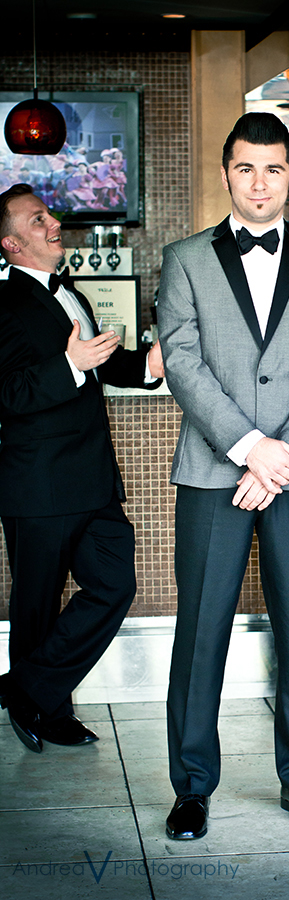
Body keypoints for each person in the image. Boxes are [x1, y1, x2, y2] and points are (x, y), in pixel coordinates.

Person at [158, 113, 289, 840]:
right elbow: (183, 363)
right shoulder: (184, 260)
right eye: (246, 168)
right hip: (215, 472)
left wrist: (281, 456)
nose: (260, 183)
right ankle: (191, 787)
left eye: (274, 169)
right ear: (226, 174)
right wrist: (249, 448)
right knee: (200, 631)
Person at [0, 183, 164, 753]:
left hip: (93, 480)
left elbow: (100, 364)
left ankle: (25, 689)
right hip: (38, 483)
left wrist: (148, 366)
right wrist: (69, 363)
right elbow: (7, 393)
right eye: (37, 219)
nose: (54, 225)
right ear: (11, 243)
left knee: (115, 585)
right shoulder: (3, 304)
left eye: (49, 215)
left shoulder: (72, 294)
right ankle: (48, 709)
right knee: (36, 607)